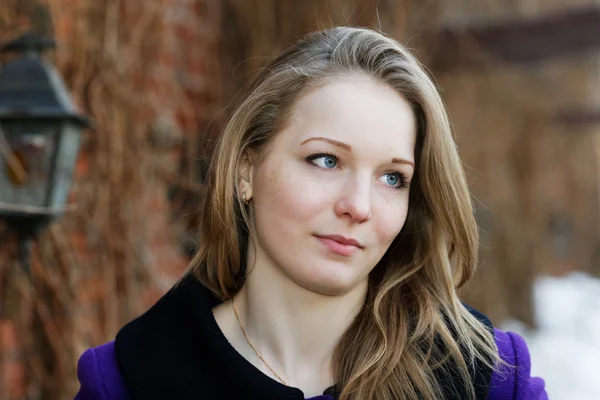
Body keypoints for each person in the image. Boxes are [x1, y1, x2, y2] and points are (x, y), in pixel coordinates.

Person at [74, 26, 547, 400]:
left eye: (392, 178)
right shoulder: (131, 381)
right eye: (326, 160)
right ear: (246, 169)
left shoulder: (488, 378)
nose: (358, 207)